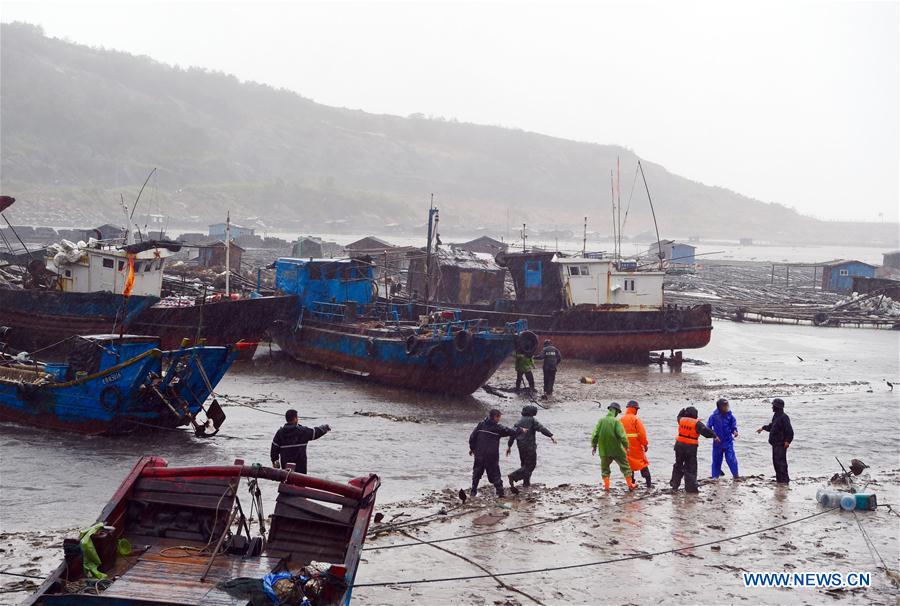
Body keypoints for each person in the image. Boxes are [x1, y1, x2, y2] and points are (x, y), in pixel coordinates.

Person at [469, 409, 527, 497]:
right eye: (499, 417)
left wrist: (472, 448)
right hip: (491, 456)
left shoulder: (481, 425)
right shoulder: (498, 428)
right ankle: (500, 493)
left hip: (479, 454)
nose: (499, 419)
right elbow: (511, 431)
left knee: (476, 473)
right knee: (495, 474)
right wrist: (521, 429)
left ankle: (473, 492)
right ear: (495, 417)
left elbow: (472, 437)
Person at [506, 404, 556, 492]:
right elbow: (541, 428)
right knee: (531, 466)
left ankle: (526, 483)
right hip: (530, 447)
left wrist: (509, 446)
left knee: (524, 465)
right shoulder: (532, 420)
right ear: (532, 413)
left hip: (520, 447)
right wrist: (551, 435)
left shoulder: (518, 421)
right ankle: (513, 476)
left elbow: (512, 434)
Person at [670, 406, 719, 493]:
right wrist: (715, 436)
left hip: (679, 446)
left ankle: (674, 485)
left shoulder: (681, 420)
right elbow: (706, 432)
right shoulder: (697, 423)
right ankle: (690, 488)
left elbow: (679, 416)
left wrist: (682, 410)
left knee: (678, 465)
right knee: (690, 467)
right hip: (690, 448)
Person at [591, 402, 637, 491]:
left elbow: (595, 434)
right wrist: (626, 447)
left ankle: (607, 487)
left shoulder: (601, 420)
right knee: (625, 466)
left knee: (604, 469)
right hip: (617, 450)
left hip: (604, 450)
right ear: (616, 411)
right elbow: (622, 436)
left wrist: (594, 446)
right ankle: (630, 485)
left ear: (609, 409)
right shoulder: (616, 421)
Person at [270, 409, 331, 474]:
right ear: (295, 418)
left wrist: (275, 462)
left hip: (286, 472)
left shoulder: (280, 433)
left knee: (287, 480)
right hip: (301, 471)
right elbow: (316, 432)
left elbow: (274, 450)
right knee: (300, 483)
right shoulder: (302, 431)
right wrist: (325, 427)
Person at [757, 398, 794, 484]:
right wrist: (763, 428)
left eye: (773, 405)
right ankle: (779, 480)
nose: (772, 407)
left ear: (777, 407)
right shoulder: (776, 416)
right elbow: (772, 427)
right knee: (776, 463)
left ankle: (784, 481)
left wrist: (788, 441)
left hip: (781, 444)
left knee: (781, 463)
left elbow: (790, 431)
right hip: (775, 444)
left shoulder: (784, 417)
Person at [620, 400, 652, 488]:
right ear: (635, 409)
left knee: (629, 465)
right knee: (642, 463)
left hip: (625, 447)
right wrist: (645, 444)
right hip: (636, 446)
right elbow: (642, 434)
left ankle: (631, 484)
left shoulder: (621, 419)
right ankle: (648, 483)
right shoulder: (636, 419)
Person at [707, 398, 739, 479]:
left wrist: (735, 431)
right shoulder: (714, 416)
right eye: (725, 406)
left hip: (728, 441)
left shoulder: (730, 416)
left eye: (727, 405)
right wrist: (714, 436)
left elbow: (733, 426)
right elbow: (708, 428)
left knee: (731, 459)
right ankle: (715, 477)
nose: (727, 407)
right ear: (720, 407)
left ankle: (736, 476)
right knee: (716, 461)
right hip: (717, 442)